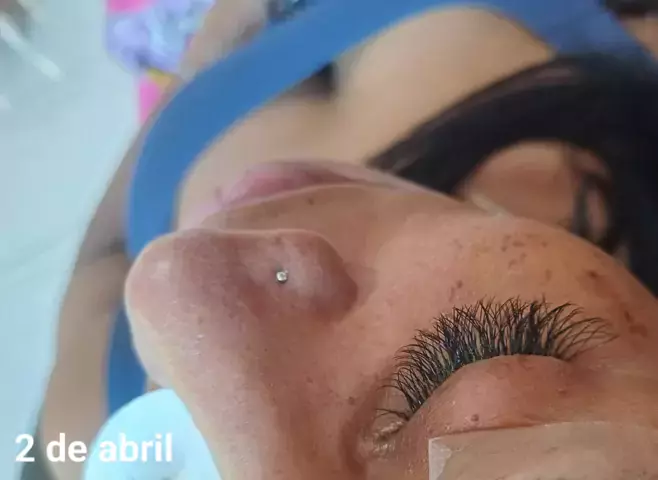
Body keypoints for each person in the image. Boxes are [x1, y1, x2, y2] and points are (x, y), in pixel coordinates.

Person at [39, 0, 658, 478]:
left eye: (176, 470)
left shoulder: (81, 424)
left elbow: (105, 259)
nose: (174, 273)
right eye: (467, 375)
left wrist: (199, 66)